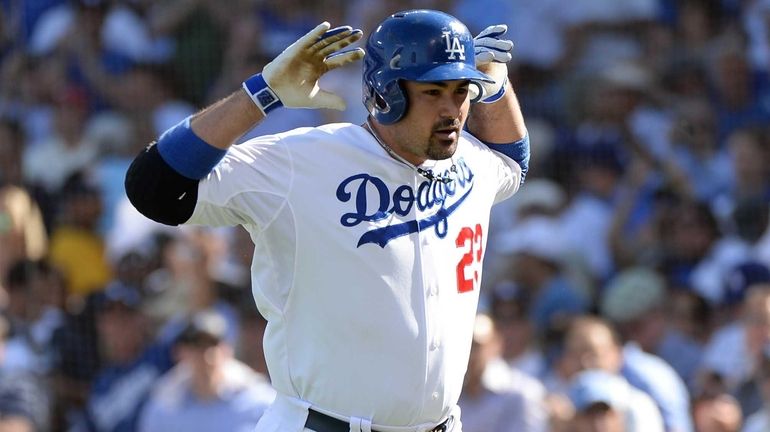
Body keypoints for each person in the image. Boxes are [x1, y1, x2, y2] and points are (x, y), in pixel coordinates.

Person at [125, 8, 529, 432]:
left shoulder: (469, 161)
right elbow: (154, 189)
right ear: (387, 92)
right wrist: (260, 94)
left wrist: (496, 89)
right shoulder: (302, 161)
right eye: (433, 92)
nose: (453, 110)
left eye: (462, 91)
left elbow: (513, 163)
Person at [137, 311, 276, 432]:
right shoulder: (162, 409)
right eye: (196, 346)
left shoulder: (261, 402)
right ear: (179, 353)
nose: (205, 354)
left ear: (227, 349)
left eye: (212, 344)